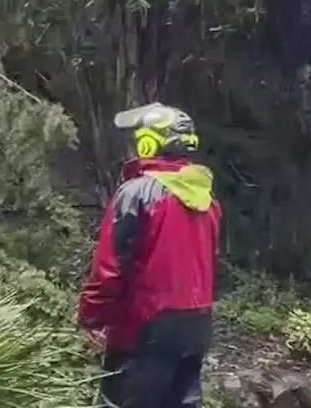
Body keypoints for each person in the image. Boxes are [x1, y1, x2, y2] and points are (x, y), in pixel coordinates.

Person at [77, 102, 221, 408]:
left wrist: (92, 317)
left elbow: (111, 267)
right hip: (196, 326)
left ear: (149, 144)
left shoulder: (137, 193)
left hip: (145, 327)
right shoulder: (207, 200)